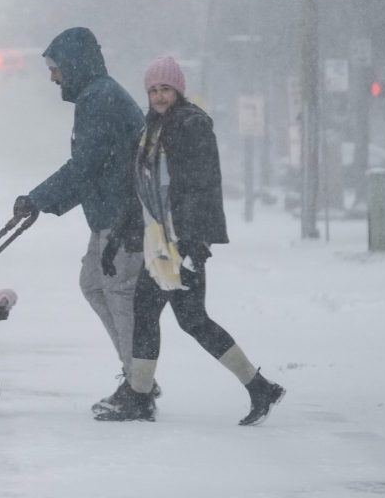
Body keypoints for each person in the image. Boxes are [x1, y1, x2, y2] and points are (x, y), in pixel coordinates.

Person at [94, 55, 286, 425]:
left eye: (165, 89)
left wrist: (195, 241)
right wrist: (117, 240)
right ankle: (258, 386)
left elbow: (201, 187)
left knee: (154, 313)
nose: (159, 96)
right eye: (153, 90)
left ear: (178, 90)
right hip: (161, 241)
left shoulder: (190, 126)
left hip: (180, 241)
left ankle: (139, 397)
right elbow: (142, 192)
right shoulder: (152, 131)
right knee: (189, 319)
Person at [12, 26, 149, 415]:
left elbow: (85, 166)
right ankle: (137, 376)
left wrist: (37, 199)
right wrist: (42, 204)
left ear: (73, 65)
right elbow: (92, 169)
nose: (52, 76)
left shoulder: (99, 100)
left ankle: (139, 387)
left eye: (55, 68)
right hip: (109, 212)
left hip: (123, 216)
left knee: (119, 292)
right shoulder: (96, 96)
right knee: (93, 284)